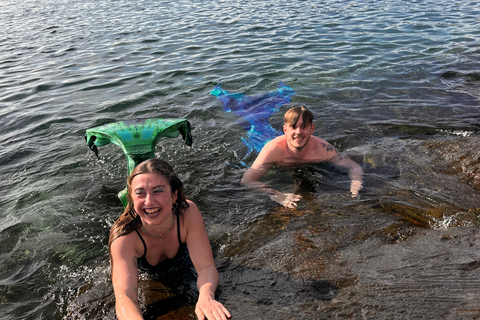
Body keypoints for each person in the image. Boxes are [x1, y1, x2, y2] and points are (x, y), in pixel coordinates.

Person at [108, 159, 231, 320]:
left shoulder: (187, 213)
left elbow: (206, 267)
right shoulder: (124, 237)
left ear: (174, 195)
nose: (149, 201)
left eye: (157, 190)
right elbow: (125, 297)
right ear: (131, 198)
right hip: (148, 271)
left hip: (184, 255)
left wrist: (206, 297)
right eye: (140, 193)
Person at [241, 106, 363, 208]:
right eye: (293, 127)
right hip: (265, 145)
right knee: (256, 126)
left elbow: (354, 167)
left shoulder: (323, 149)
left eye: (303, 126)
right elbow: (247, 180)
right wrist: (276, 194)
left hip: (300, 163)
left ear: (312, 129)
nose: (298, 132)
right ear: (285, 129)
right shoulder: (272, 150)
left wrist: (356, 184)